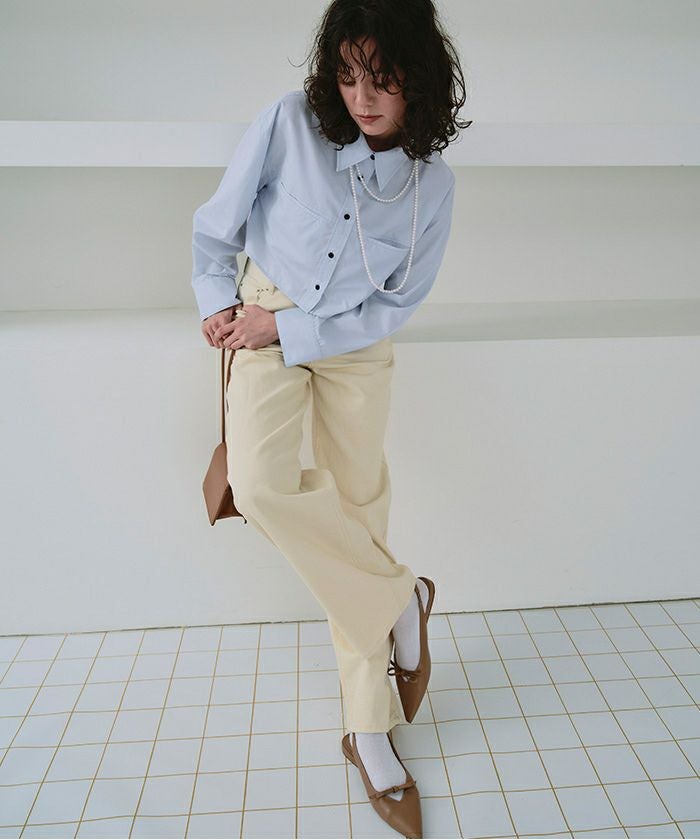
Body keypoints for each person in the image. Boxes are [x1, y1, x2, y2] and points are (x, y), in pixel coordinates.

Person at [191, 1, 470, 834]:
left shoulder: (433, 187)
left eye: (383, 78)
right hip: (262, 317)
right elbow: (216, 231)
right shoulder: (289, 124)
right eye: (348, 76)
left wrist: (296, 331)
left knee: (358, 511)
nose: (363, 96)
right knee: (260, 486)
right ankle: (400, 599)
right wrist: (220, 305)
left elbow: (399, 303)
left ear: (419, 79)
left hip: (354, 343)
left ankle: (368, 729)